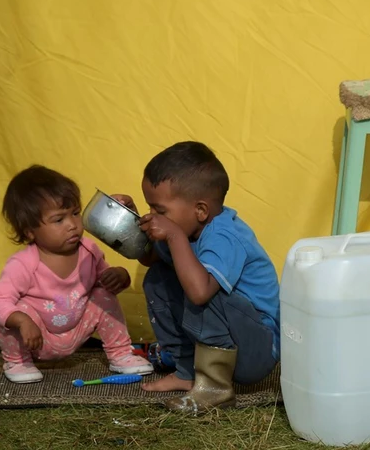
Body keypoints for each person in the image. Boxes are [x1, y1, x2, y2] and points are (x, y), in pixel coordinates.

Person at [112, 141, 280, 414]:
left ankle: (215, 389)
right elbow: (150, 258)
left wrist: (174, 235)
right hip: (232, 339)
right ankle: (187, 371)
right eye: (149, 208)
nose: (154, 216)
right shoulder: (188, 229)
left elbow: (200, 292)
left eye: (160, 211)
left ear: (200, 210)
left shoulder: (224, 236)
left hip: (257, 350)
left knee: (202, 290)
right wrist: (131, 220)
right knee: (158, 277)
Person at [0, 165, 153, 384]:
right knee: (15, 313)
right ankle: (17, 362)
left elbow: (106, 283)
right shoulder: (24, 263)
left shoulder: (89, 251)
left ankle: (120, 354)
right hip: (35, 336)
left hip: (75, 331)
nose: (72, 225)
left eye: (75, 213)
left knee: (103, 295)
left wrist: (120, 276)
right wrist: (22, 321)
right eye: (59, 220)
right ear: (30, 231)